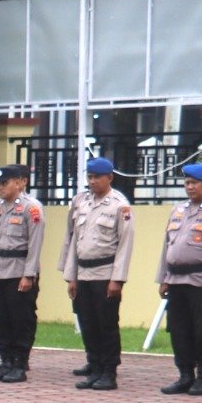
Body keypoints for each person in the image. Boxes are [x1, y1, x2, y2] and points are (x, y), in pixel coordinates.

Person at [155, 163, 202, 396]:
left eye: (194, 183)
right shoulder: (178, 210)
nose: (189, 187)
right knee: (179, 330)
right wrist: (163, 278)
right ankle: (185, 375)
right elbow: (167, 246)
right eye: (187, 183)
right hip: (177, 281)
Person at [60, 157, 135, 390]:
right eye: (89, 177)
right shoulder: (82, 202)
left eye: (96, 177)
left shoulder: (119, 205)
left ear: (109, 178)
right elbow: (73, 240)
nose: (92, 182)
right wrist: (72, 276)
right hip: (83, 273)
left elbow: (125, 244)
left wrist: (117, 279)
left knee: (106, 325)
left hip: (105, 274)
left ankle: (109, 372)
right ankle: (94, 367)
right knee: (88, 323)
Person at [0, 165, 45, 383]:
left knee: (21, 319)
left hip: (18, 272)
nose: (0, 187)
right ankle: (6, 360)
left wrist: (29, 275)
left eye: (4, 183)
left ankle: (19, 362)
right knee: (0, 318)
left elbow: (35, 245)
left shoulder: (31, 208)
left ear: (20, 182)